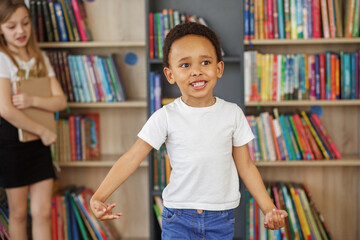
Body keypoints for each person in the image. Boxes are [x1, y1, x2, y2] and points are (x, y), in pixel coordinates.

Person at [90, 22, 287, 239]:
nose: (196, 71)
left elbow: (246, 166)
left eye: (205, 62)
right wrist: (99, 197)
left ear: (219, 68)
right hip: (178, 217)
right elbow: (131, 159)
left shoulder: (233, 114)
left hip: (220, 219)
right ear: (170, 74)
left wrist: (269, 208)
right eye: (185, 65)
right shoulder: (165, 116)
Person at [0, 1, 67, 239]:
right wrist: (43, 131)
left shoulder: (39, 58)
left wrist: (31, 100)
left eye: (25, 23)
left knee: (42, 213)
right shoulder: (2, 58)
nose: (20, 31)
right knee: (18, 214)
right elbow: (5, 109)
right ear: (1, 29)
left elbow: (60, 101)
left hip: (39, 144)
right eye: (11, 26)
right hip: (12, 145)